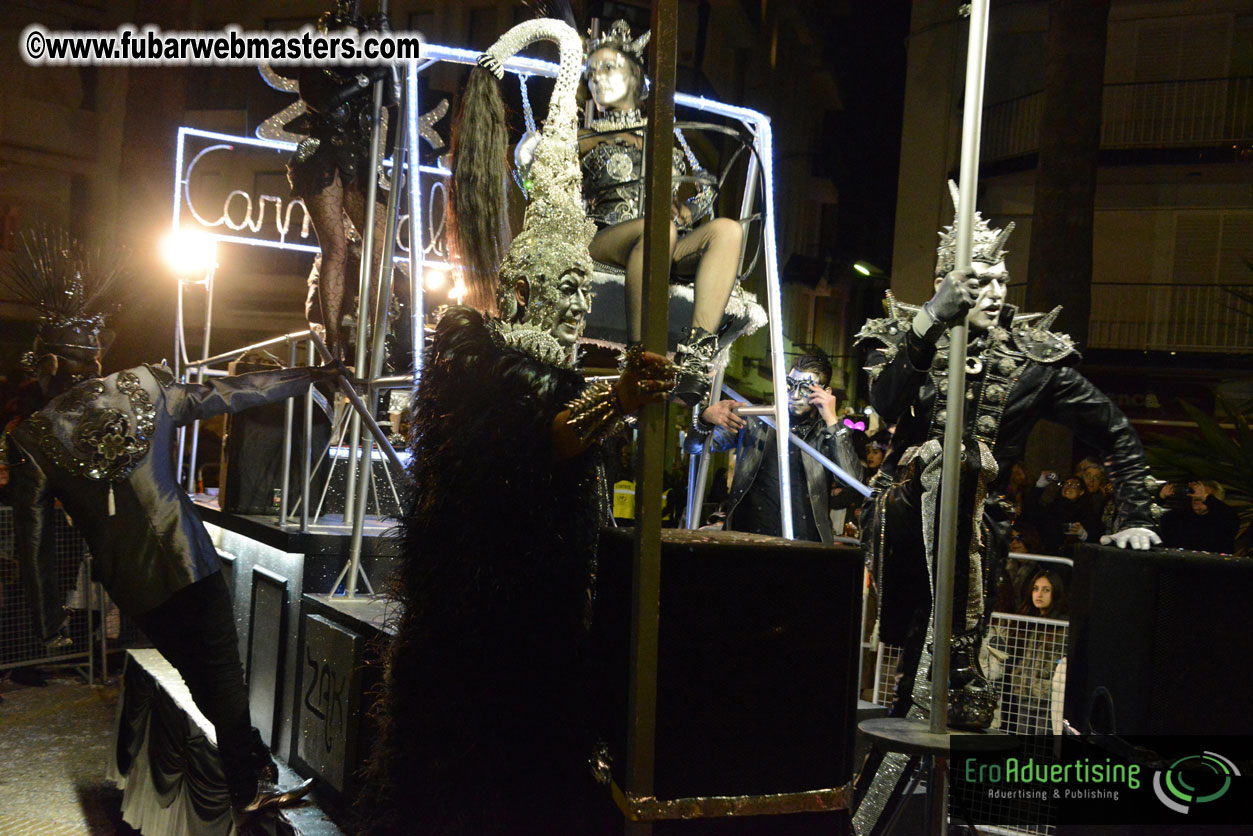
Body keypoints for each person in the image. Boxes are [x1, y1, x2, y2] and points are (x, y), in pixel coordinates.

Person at [360, 19, 674, 836]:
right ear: (527, 289)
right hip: (480, 633)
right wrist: (620, 401)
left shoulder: (557, 372)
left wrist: (620, 400)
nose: (575, 301)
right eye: (560, 285)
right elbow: (541, 438)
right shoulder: (484, 361)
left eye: (583, 284)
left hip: (543, 624)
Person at [852, 182, 1158, 832]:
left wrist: (1134, 513)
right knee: (918, 667)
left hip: (982, 534)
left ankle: (935, 814)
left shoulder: (1031, 359)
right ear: (943, 278)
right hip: (908, 520)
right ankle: (875, 815)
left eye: (997, 280)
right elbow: (879, 405)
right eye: (974, 279)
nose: (989, 291)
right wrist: (931, 317)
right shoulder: (907, 332)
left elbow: (1114, 430)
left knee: (952, 685)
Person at [0, 230, 324, 822]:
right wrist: (305, 377)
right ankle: (248, 782)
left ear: (45, 365)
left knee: (202, 673)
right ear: (94, 356)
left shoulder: (33, 437)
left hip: (135, 585)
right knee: (219, 670)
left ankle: (249, 768)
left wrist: (48, 621)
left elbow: (34, 539)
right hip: (189, 558)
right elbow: (230, 393)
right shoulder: (143, 386)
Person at [577, 20, 743, 406]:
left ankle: (696, 355)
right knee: (660, 231)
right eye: (592, 71)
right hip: (605, 238)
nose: (598, 78)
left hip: (659, 239)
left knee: (728, 230)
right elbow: (536, 178)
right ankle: (638, 358)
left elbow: (703, 187)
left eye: (608, 67)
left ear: (635, 76)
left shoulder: (664, 136)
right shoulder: (583, 137)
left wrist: (688, 209)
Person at [286, 1, 413, 365]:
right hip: (322, 156)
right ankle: (332, 339)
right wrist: (366, 77)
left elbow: (394, 96)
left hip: (360, 159)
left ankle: (378, 335)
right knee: (336, 248)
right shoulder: (315, 66)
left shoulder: (365, 63)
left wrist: (387, 60)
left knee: (379, 248)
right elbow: (323, 100)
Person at [684, 354, 859, 545]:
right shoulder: (757, 420)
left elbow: (851, 481)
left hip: (806, 544)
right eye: (791, 385)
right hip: (749, 540)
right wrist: (704, 418)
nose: (796, 395)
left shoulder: (828, 433)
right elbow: (694, 447)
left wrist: (832, 421)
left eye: (806, 389)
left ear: (825, 393)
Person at [1006, 568, 1068, 735]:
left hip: (1046, 699)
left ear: (1055, 592)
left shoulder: (1062, 628)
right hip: (1024, 695)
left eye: (1046, 590)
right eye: (1035, 588)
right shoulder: (1031, 621)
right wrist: (1018, 677)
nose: (1039, 594)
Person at [1159, 479, 1240, 554]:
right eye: (1195, 492)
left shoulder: (1224, 519)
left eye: (1203, 493)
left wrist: (1205, 498)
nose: (1197, 497)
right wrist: (1160, 498)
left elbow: (1229, 516)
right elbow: (1153, 519)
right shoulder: (1180, 518)